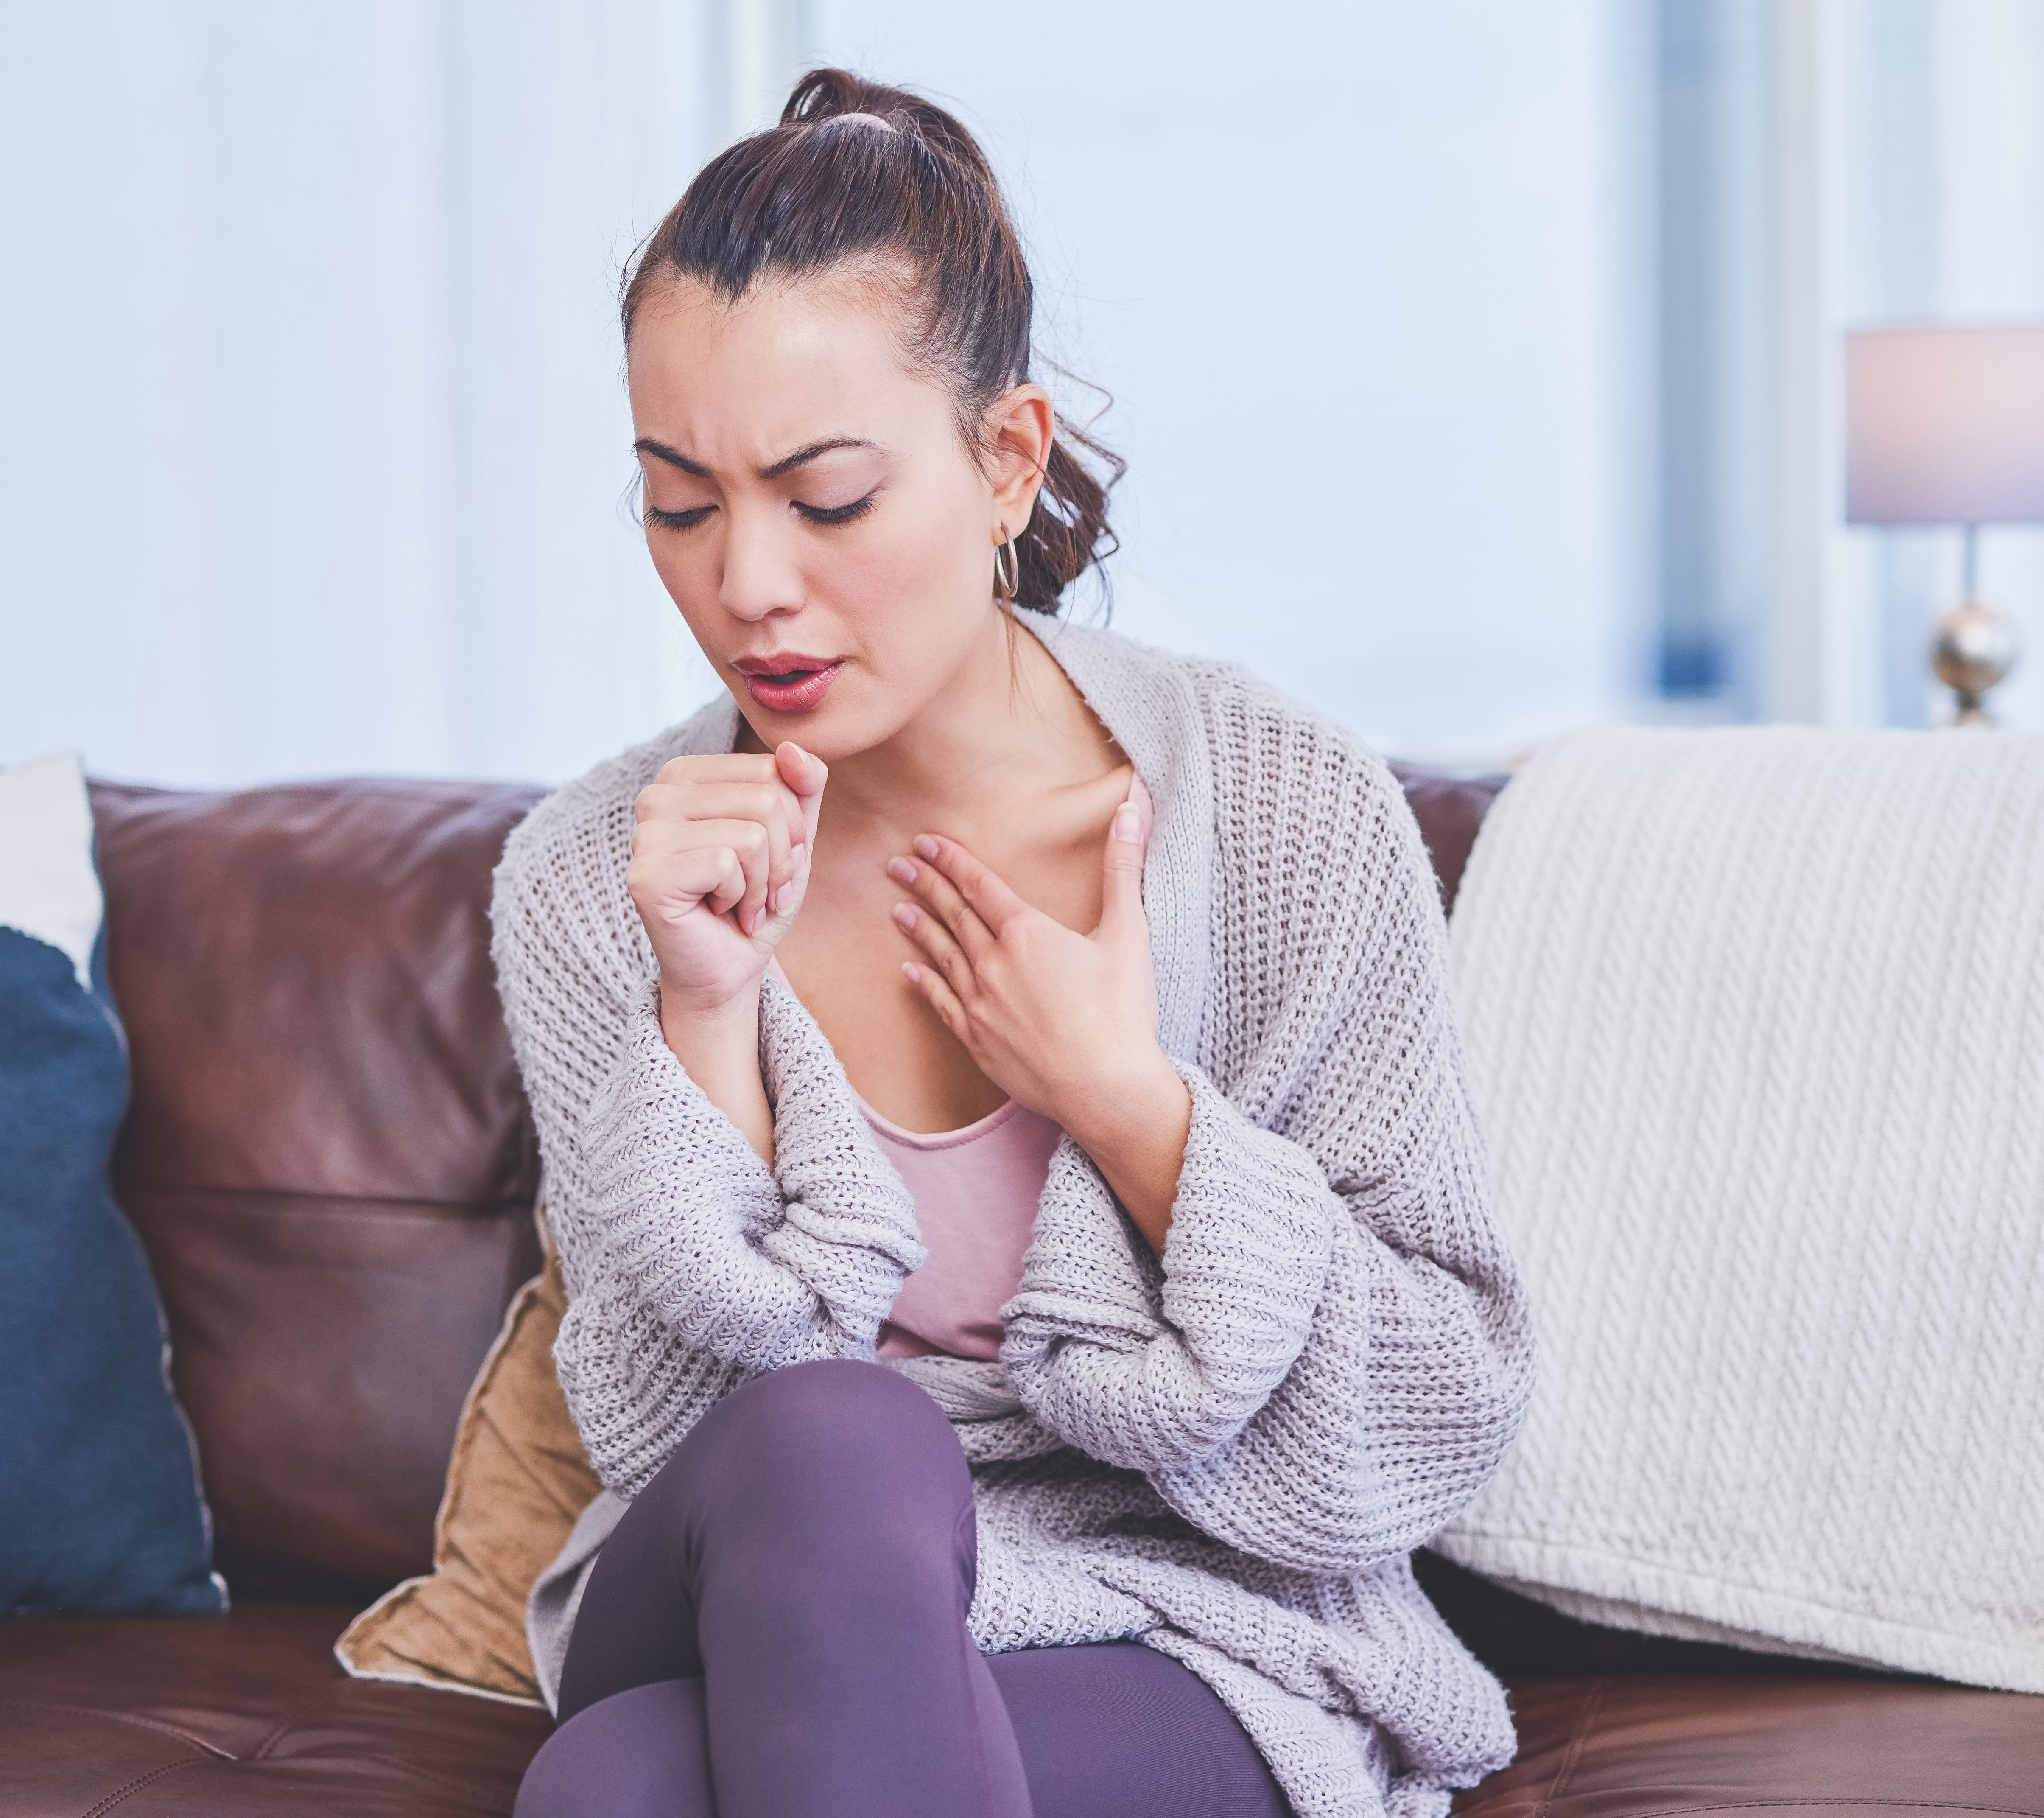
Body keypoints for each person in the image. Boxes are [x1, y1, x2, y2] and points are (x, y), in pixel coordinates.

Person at [493, 68, 1535, 1818]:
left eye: (823, 499)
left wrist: (1134, 1113)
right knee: (837, 1442)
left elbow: (1436, 1409)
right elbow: (670, 1446)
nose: (746, 582)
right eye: (678, 504)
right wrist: (702, 1021)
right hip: (712, 1588)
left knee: (618, 1792)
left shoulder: (1278, 812)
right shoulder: (593, 876)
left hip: (1169, 1618)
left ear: (1003, 463)